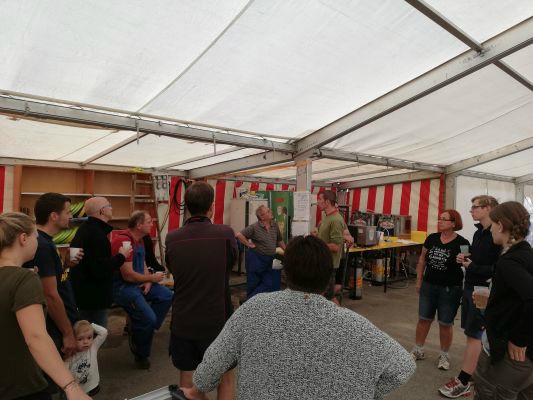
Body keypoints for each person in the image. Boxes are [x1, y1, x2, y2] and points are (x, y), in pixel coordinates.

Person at [180, 235, 416, 400]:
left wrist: (197, 390)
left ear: (286, 272)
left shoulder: (254, 309)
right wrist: (364, 392)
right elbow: (403, 367)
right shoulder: (355, 325)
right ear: (328, 278)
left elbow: (212, 364)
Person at [0, 212, 90, 400]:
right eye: (35, 236)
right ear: (23, 239)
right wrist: (71, 386)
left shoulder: (20, 277)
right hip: (21, 386)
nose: (37, 241)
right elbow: (36, 337)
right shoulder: (24, 279)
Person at [166, 181, 237, 400]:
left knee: (188, 378)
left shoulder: (172, 237)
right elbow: (230, 265)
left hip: (183, 319)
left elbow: (172, 268)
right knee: (225, 378)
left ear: (187, 207)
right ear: (212, 206)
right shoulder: (225, 233)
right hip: (217, 320)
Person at [439, 196, 500, 398]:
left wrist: (472, 265)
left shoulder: (496, 234)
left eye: (475, 207)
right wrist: (467, 257)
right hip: (471, 287)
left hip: (482, 290)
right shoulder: (479, 232)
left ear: (488, 208)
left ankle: (464, 380)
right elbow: (479, 257)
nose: (471, 210)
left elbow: (498, 268)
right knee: (472, 334)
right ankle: (474, 376)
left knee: (475, 334)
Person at [473, 201, 533, 399]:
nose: (490, 230)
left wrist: (519, 338)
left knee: (489, 392)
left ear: (500, 225)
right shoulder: (526, 254)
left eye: (492, 224)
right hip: (526, 359)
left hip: (509, 356)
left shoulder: (510, 261)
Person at [111, 210, 173, 369]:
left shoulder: (141, 240)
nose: (152, 224)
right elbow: (128, 276)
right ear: (139, 225)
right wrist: (151, 278)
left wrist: (148, 281)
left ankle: (144, 329)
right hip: (124, 287)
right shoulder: (123, 241)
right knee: (148, 319)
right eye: (149, 222)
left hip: (139, 283)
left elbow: (143, 262)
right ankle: (141, 353)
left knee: (167, 295)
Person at [23, 193, 81, 359]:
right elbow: (49, 295)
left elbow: (57, 280)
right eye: (67, 212)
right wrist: (67, 333)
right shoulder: (42, 246)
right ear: (54, 216)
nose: (71, 216)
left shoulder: (46, 242)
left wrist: (66, 265)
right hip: (53, 327)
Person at [411, 209, 469, 371]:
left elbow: (468, 262)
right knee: (424, 319)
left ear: (453, 223)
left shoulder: (463, 243)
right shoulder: (432, 238)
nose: (440, 221)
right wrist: (419, 280)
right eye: (439, 219)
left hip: (450, 289)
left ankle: (444, 355)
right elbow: (422, 259)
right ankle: (418, 349)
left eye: (444, 219)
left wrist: (465, 260)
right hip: (428, 286)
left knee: (445, 323)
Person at [70, 197, 131, 327]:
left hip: (84, 294)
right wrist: (122, 256)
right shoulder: (96, 234)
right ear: (102, 211)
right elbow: (100, 269)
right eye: (109, 206)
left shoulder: (85, 229)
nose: (112, 208)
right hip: (93, 298)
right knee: (97, 334)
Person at [235, 205, 286, 298]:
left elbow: (279, 240)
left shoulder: (274, 225)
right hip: (256, 259)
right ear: (262, 217)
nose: (271, 211)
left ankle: (250, 301)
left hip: (269, 259)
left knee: (269, 284)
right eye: (268, 211)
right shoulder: (254, 227)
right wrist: (248, 244)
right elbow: (239, 235)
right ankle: (250, 302)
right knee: (253, 284)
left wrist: (287, 251)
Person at [315, 190, 346, 303]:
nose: (318, 202)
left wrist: (316, 244)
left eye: (320, 199)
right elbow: (326, 240)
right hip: (323, 264)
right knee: (324, 296)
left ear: (327, 202)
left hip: (329, 265)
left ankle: (340, 315)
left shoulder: (336, 220)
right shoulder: (327, 217)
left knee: (329, 298)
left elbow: (336, 246)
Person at [64, 320, 107, 396]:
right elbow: (64, 371)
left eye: (89, 337)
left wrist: (89, 325)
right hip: (77, 390)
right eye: (80, 339)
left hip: (92, 386)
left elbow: (104, 332)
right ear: (73, 340)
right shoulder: (70, 354)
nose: (86, 342)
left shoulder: (93, 347)